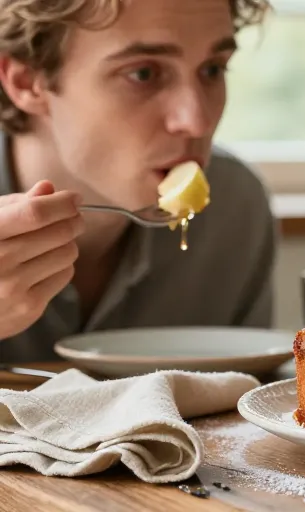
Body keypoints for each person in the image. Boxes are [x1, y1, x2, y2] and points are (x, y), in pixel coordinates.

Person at [0, 0, 278, 362]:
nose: (196, 121)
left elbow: (246, 407)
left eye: (212, 70)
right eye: (143, 74)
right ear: (27, 82)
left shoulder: (234, 209)